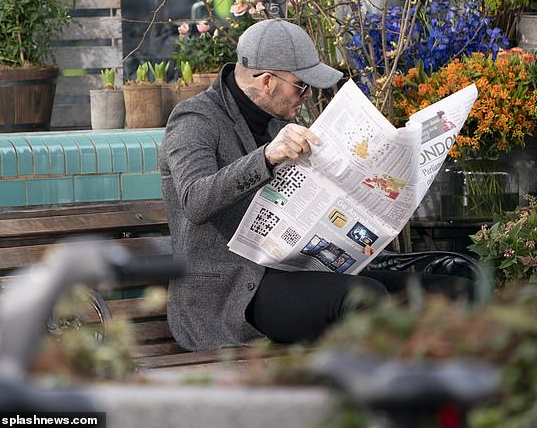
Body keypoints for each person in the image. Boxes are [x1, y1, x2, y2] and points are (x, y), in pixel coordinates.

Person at [159, 18, 471, 352]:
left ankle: (449, 395)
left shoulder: (276, 120)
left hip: (291, 270)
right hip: (230, 293)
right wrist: (266, 157)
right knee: (365, 299)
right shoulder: (194, 121)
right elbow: (194, 200)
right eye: (301, 86)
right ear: (266, 81)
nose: (308, 96)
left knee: (455, 290)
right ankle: (374, 398)